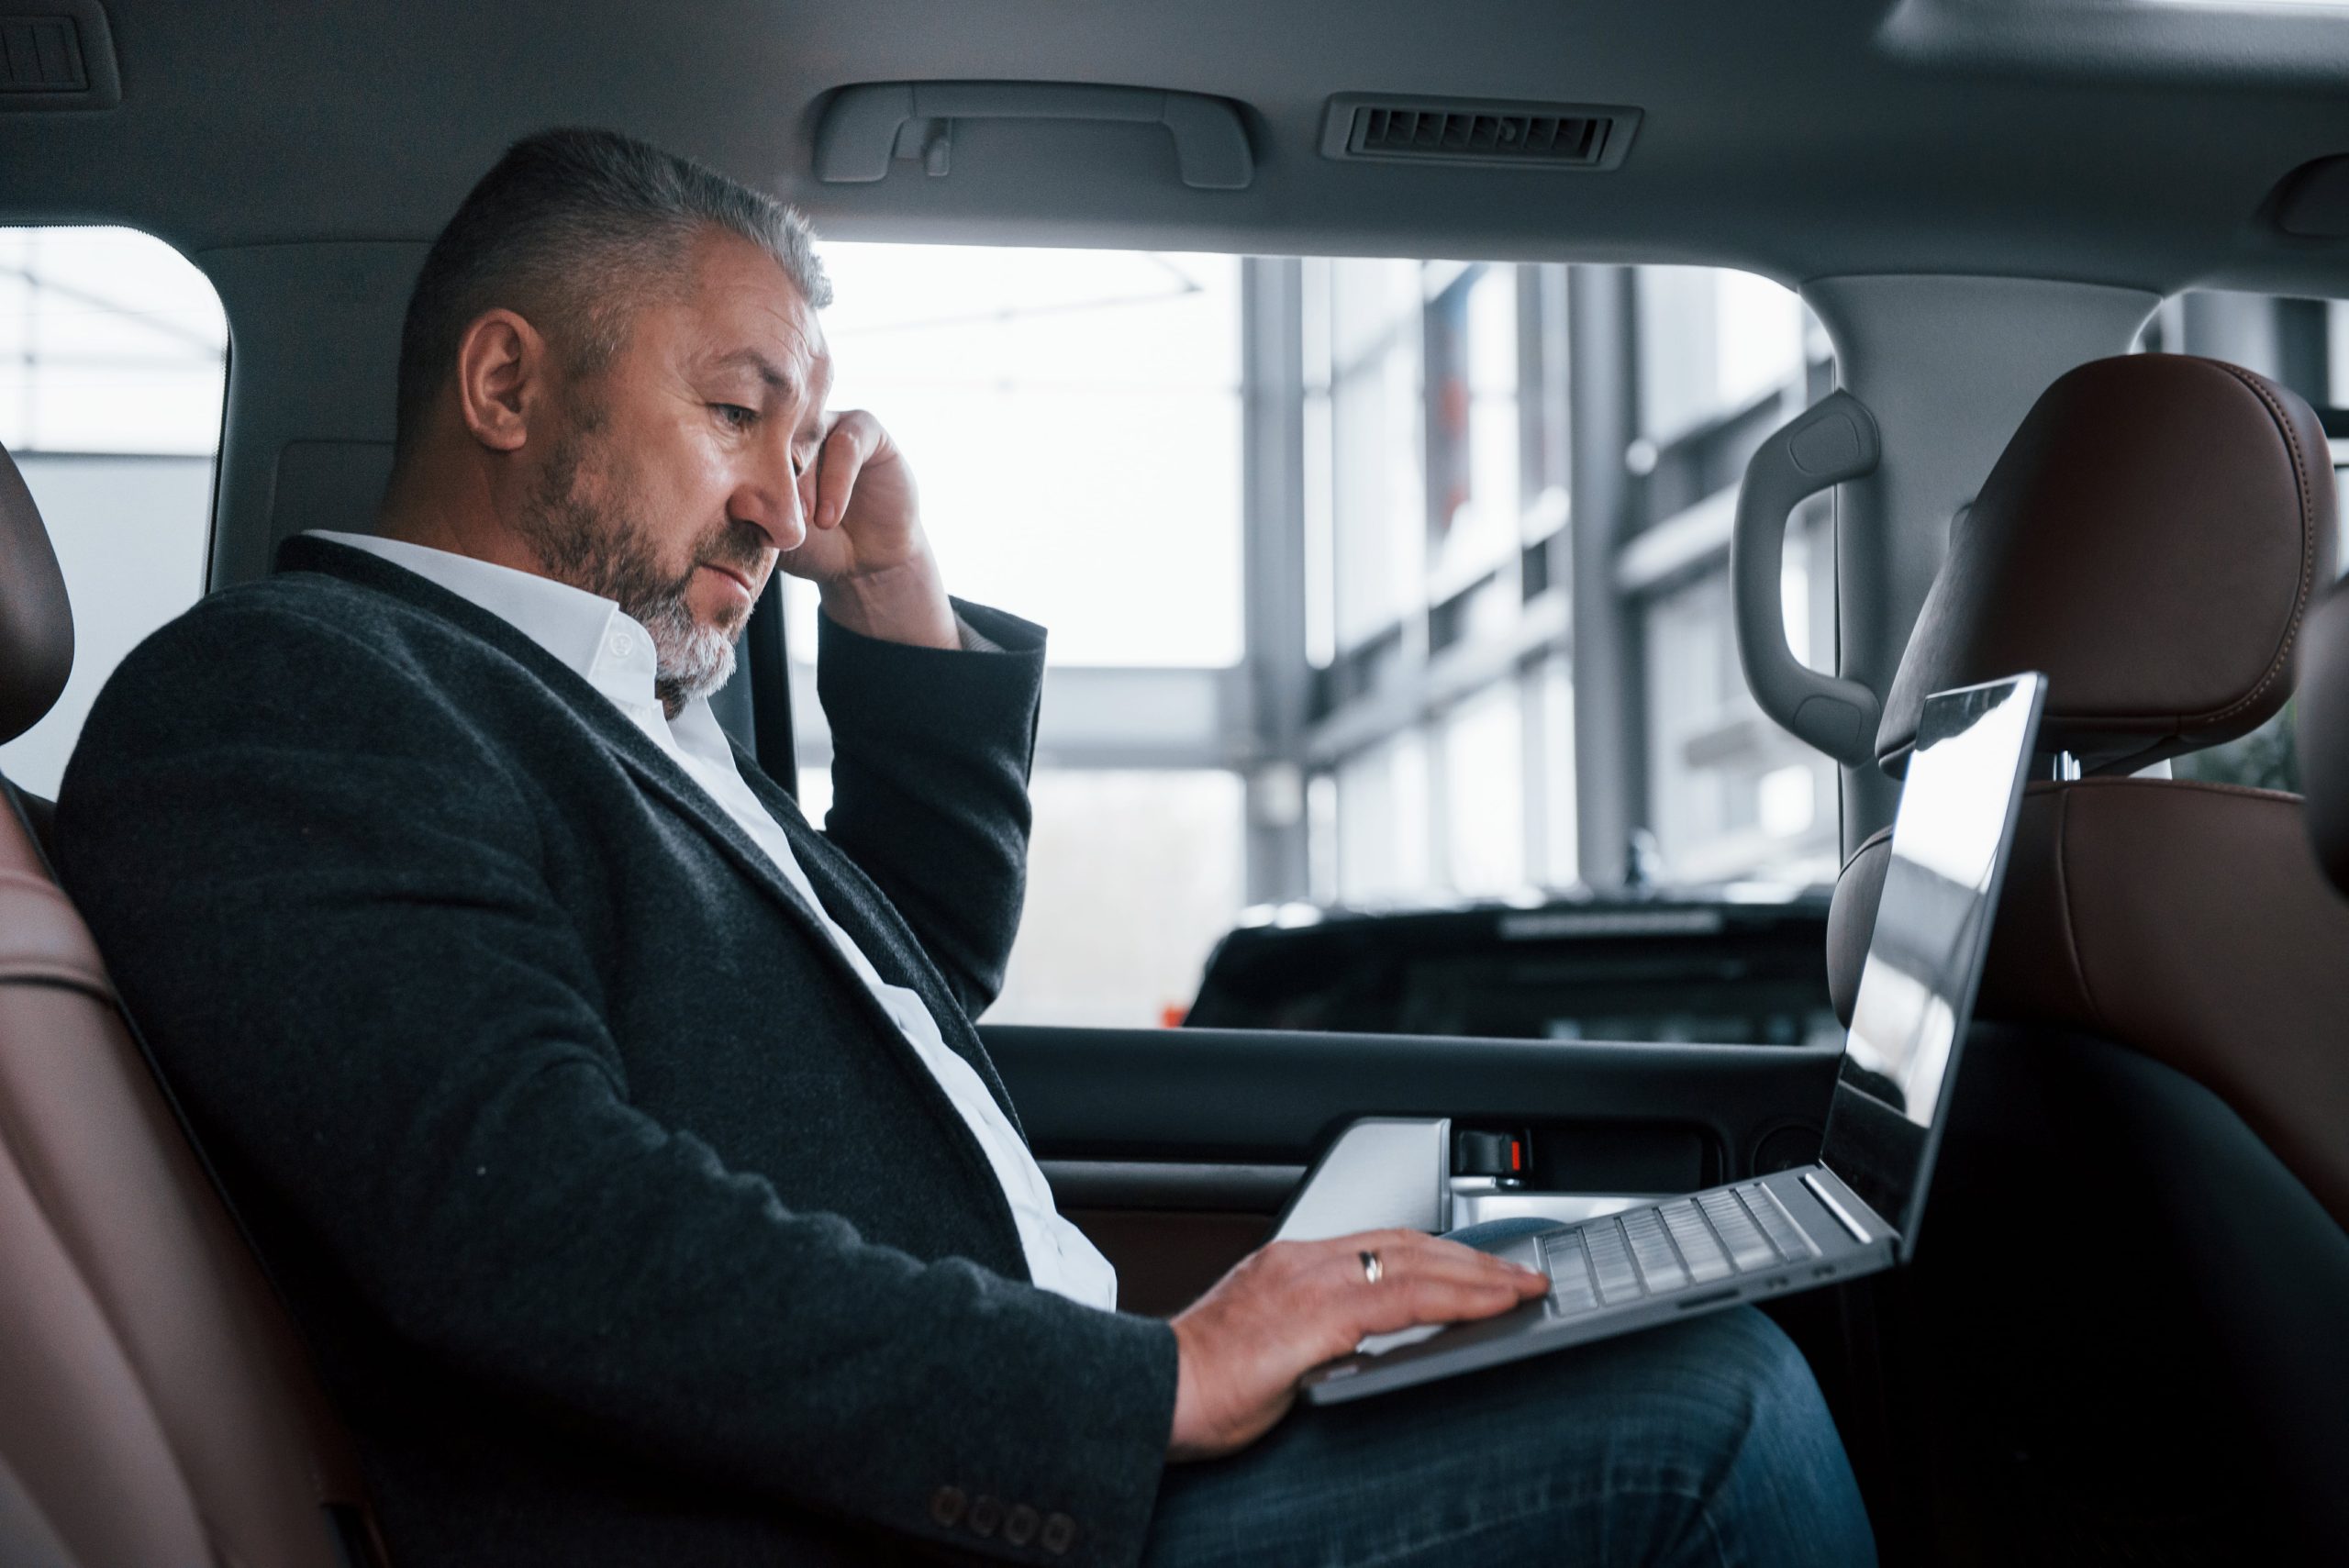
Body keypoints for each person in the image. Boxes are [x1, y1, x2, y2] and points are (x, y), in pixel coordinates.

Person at [54, 128, 1875, 1567]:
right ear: (508, 388)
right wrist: (1142, 1380)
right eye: (728, 410)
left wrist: (898, 595)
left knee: (1654, 1356)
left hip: (978, 1470)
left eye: (798, 426)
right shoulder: (295, 695)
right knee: (1714, 1415)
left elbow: (896, 973)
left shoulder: (619, 705)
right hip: (847, 1525)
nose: (780, 496)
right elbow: (528, 1217)